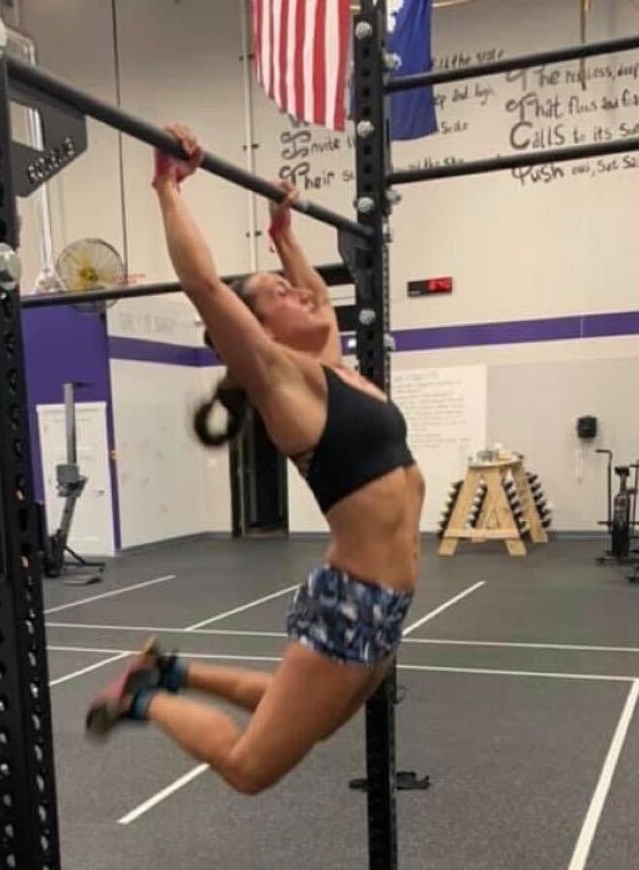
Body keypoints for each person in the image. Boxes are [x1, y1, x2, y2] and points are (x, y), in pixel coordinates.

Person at [85, 126, 425, 796]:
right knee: (250, 767)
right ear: (260, 331)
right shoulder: (283, 382)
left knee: (310, 719)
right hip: (351, 602)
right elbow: (203, 284)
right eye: (279, 293)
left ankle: (170, 670)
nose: (303, 295)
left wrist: (282, 234)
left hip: (383, 601)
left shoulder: (333, 368)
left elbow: (321, 301)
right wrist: (166, 186)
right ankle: (141, 700)